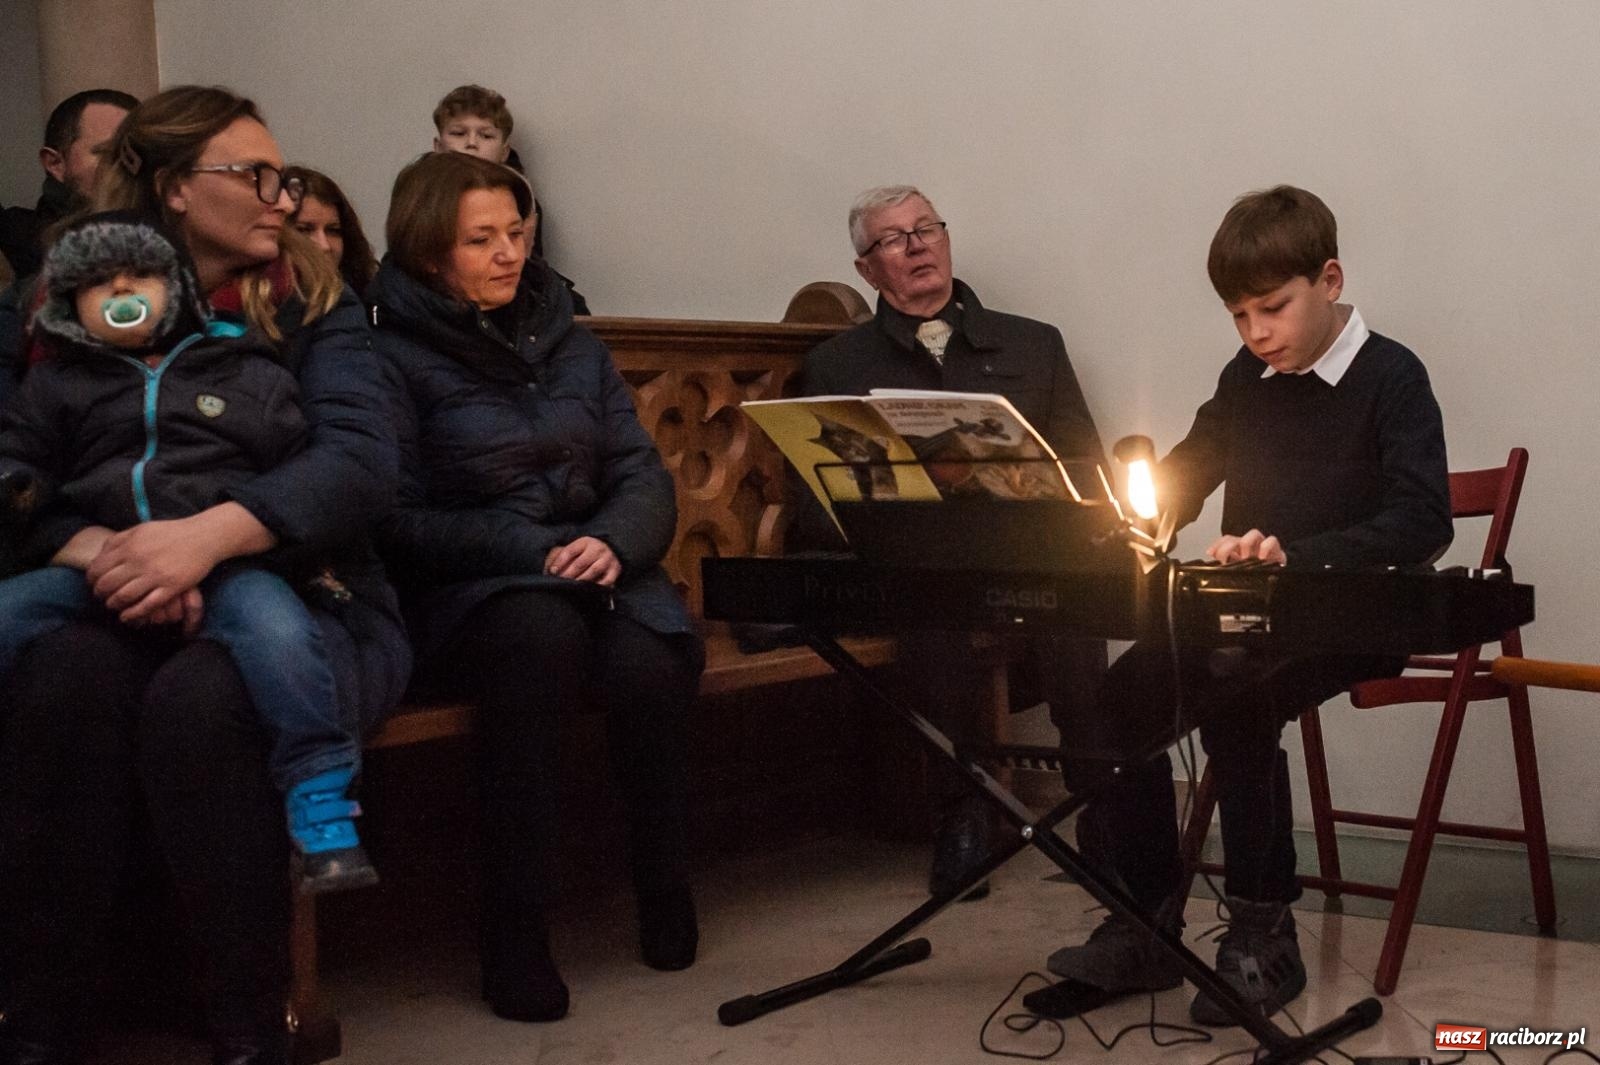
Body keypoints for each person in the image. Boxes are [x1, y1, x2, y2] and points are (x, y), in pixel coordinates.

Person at [0, 86, 409, 1065]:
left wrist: (207, 539)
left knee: (204, 700)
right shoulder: (78, 306)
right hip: (113, 596)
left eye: (282, 175)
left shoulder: (315, 302)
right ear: (177, 189)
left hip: (312, 602)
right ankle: (47, 1017)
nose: (279, 194)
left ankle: (246, 1025)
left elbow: (359, 466)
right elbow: (25, 470)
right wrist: (105, 551)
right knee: (66, 681)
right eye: (253, 175)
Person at [1037, 185, 1451, 1025]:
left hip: (1351, 615)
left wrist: (1300, 553)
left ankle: (1264, 933)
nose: (1257, 331)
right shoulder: (1247, 377)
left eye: (1273, 307)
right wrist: (1140, 516)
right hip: (1249, 618)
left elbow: (1423, 517)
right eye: (1238, 315)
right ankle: (1147, 922)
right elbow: (1190, 466)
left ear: (1328, 280)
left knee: (1233, 686)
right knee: (1124, 694)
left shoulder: (1392, 376)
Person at [370, 151, 701, 1024]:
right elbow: (396, 515)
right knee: (540, 638)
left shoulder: (570, 341)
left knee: (650, 661)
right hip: (475, 589)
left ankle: (665, 884)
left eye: (515, 233)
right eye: (480, 240)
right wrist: (533, 548)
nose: (508, 253)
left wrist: (612, 540)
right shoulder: (387, 353)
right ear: (428, 250)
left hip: (596, 568)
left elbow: (641, 472)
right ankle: (514, 931)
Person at [0, 211, 377, 894]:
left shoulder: (234, 362)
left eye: (139, 276)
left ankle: (321, 796)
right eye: (97, 284)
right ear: (68, 305)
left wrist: (213, 537)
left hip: (228, 562)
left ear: (172, 286)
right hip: (100, 559)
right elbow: (21, 464)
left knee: (282, 636)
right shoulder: (57, 385)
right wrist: (29, 495)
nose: (123, 292)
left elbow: (295, 466)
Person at [799, 184, 1107, 902]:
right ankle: (963, 815)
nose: (917, 245)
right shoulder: (838, 367)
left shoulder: (1034, 342)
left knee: (1085, 591)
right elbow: (818, 508)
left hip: (1030, 554)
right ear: (866, 269)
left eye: (926, 228)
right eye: (893, 239)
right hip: (921, 566)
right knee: (928, 607)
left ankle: (1100, 806)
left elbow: (1087, 472)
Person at [430, 84, 590, 314]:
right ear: (438, 146)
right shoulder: (421, 199)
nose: (471, 143)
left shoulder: (521, 200)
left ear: (504, 152)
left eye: (485, 135)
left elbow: (528, 264)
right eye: (458, 133)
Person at [0, 89, 138, 280]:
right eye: (107, 153)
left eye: (134, 153)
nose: (126, 165)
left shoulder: (166, 230)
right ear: (55, 163)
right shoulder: (16, 239)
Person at [285, 167, 378, 295]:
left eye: (333, 231)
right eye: (304, 230)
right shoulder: (254, 307)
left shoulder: (362, 300)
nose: (324, 246)